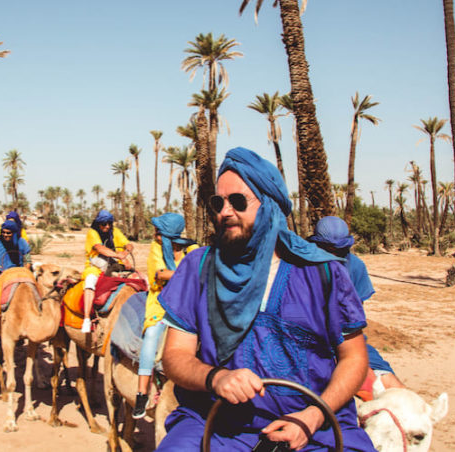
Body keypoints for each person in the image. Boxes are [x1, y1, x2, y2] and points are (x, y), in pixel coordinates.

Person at [157, 147, 375, 451]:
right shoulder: (198, 267)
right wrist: (215, 378)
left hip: (314, 428)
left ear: (270, 205)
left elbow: (354, 357)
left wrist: (313, 416)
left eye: (237, 201)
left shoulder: (323, 272)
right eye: (218, 202)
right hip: (216, 424)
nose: (225, 212)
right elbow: (175, 356)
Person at [308, 216, 406, 390]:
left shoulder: (355, 266)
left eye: (339, 250)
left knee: (392, 386)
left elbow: (354, 317)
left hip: (345, 340)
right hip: (308, 341)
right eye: (327, 250)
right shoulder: (300, 266)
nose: (333, 255)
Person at [132, 213, 197, 419]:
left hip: (187, 303)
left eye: (158, 231)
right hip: (161, 304)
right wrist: (191, 274)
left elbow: (202, 263)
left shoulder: (191, 248)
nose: (155, 234)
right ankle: (142, 393)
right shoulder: (156, 248)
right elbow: (160, 274)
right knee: (151, 337)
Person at [81, 209, 134, 333]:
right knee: (90, 283)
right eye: (104, 224)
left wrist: (126, 252)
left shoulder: (114, 232)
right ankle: (87, 318)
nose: (107, 226)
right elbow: (99, 248)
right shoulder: (92, 233)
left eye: (109, 223)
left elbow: (128, 244)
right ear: (98, 224)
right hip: (95, 266)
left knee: (138, 278)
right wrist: (118, 255)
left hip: (114, 264)